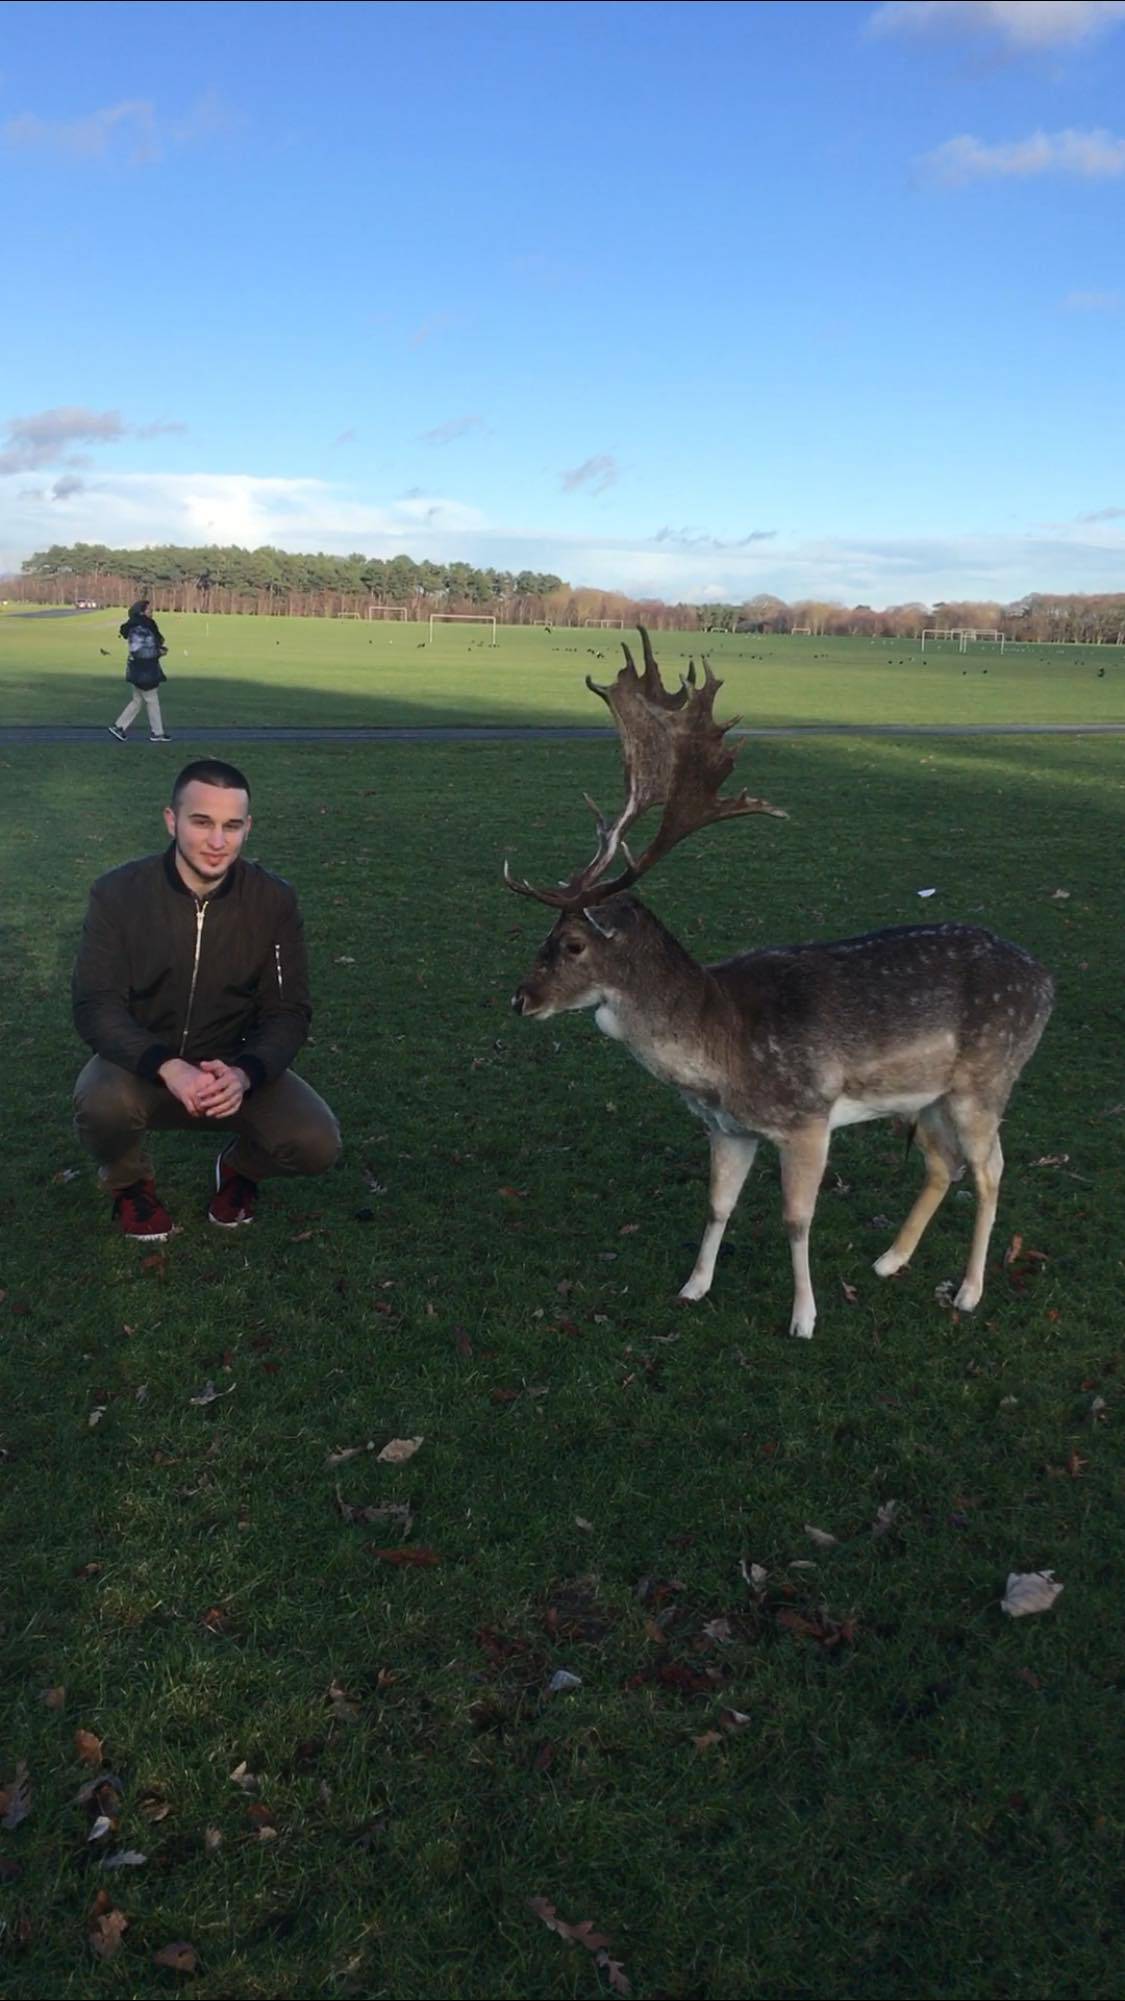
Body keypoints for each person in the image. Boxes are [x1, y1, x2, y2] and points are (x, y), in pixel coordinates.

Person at [72, 758, 341, 1241]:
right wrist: (168, 1066)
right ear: (172, 820)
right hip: (143, 1065)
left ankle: (240, 1170)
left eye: (231, 826)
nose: (218, 842)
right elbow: (96, 1005)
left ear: (247, 827)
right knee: (100, 1105)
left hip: (231, 1070)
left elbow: (288, 1012)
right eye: (202, 822)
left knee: (315, 1142)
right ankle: (129, 1183)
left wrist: (244, 1073)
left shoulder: (273, 901)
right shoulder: (118, 894)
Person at [108, 597, 171, 743]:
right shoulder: (141, 628)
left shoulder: (138, 626)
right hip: (145, 669)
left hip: (139, 668)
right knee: (152, 700)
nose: (152, 611)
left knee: (137, 700)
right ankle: (157, 733)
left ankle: (119, 726)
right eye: (150, 609)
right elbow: (141, 651)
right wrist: (159, 652)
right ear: (142, 612)